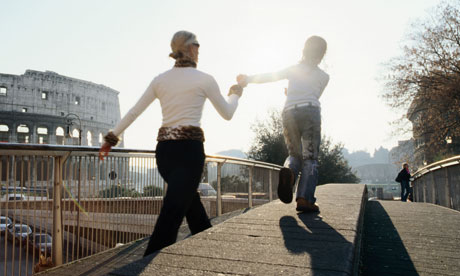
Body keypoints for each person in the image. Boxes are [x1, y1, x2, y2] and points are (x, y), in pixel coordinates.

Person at [99, 30, 243, 256]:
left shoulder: (160, 80)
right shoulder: (205, 79)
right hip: (190, 152)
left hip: (164, 153)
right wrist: (236, 93)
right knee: (172, 214)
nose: (199, 49)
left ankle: (210, 253)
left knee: (191, 207)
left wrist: (110, 139)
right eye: (197, 44)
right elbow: (227, 113)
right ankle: (145, 263)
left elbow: (134, 111)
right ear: (191, 48)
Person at [237, 36, 329, 212]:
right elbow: (313, 95)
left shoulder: (294, 69)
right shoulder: (324, 76)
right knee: (310, 157)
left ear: (304, 50)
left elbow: (271, 76)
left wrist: (247, 79)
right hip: (310, 112)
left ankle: (289, 171)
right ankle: (304, 198)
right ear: (322, 54)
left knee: (294, 154)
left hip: (289, 111)